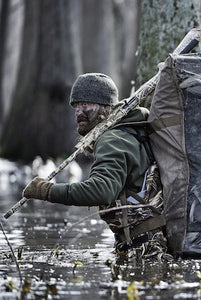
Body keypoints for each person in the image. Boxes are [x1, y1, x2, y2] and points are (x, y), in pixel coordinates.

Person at [22, 73, 168, 260]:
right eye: (75, 106)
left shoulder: (111, 139)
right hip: (150, 243)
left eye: (85, 105)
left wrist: (46, 191)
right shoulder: (131, 131)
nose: (78, 112)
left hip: (145, 250)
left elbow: (101, 190)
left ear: (104, 106)